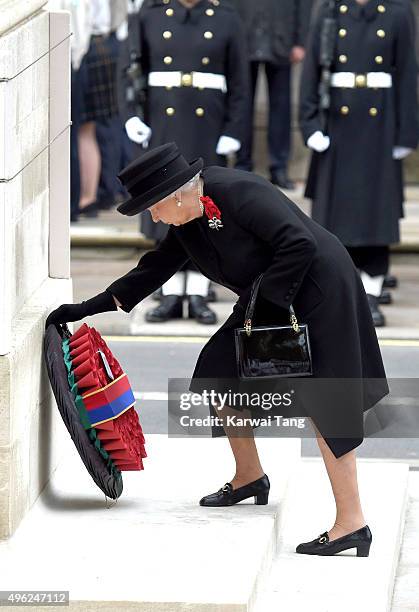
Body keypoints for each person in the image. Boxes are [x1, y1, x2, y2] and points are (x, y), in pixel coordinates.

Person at [46, 142, 389, 556]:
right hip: (269, 301)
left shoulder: (241, 193)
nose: (153, 217)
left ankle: (352, 524)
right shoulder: (188, 218)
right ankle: (250, 476)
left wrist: (263, 312)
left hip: (318, 293)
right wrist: (87, 307)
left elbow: (300, 244)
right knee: (218, 373)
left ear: (174, 194)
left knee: (328, 405)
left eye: (152, 208)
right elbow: (153, 269)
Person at [124, 0, 249, 324]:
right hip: (163, 122)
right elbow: (128, 69)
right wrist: (131, 117)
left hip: (207, 123)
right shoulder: (149, 17)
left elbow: (239, 80)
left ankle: (197, 290)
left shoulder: (226, 18)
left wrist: (234, 128)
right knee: (164, 209)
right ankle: (168, 292)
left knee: (200, 208)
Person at [299, 0, 419, 326]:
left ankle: (371, 291)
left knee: (375, 210)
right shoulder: (329, 10)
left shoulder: (397, 11)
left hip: (379, 123)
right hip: (337, 120)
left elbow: (408, 70)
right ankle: (341, 290)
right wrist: (309, 124)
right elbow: (311, 69)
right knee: (337, 213)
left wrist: (407, 133)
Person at [231, 0, 314, 189]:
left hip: (281, 36)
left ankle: (279, 168)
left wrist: (300, 41)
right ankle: (242, 163)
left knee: (281, 108)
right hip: (244, 33)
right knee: (241, 104)